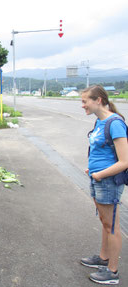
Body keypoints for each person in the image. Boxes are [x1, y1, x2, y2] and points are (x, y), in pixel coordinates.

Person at [80, 85, 128, 285]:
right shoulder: (100, 121)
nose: (82, 105)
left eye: (85, 101)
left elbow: (124, 161)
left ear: (98, 100)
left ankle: (112, 271)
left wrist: (99, 174)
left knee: (112, 226)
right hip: (97, 179)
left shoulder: (115, 123)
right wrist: (92, 171)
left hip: (107, 181)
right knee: (105, 222)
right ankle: (103, 257)